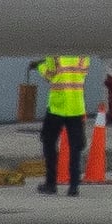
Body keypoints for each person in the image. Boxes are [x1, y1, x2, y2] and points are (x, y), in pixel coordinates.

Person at [39, 52, 92, 196]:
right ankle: (74, 187)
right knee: (75, 148)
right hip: (76, 107)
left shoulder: (54, 55)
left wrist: (40, 66)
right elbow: (84, 72)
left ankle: (51, 184)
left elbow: (49, 75)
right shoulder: (83, 56)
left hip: (57, 106)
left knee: (49, 143)